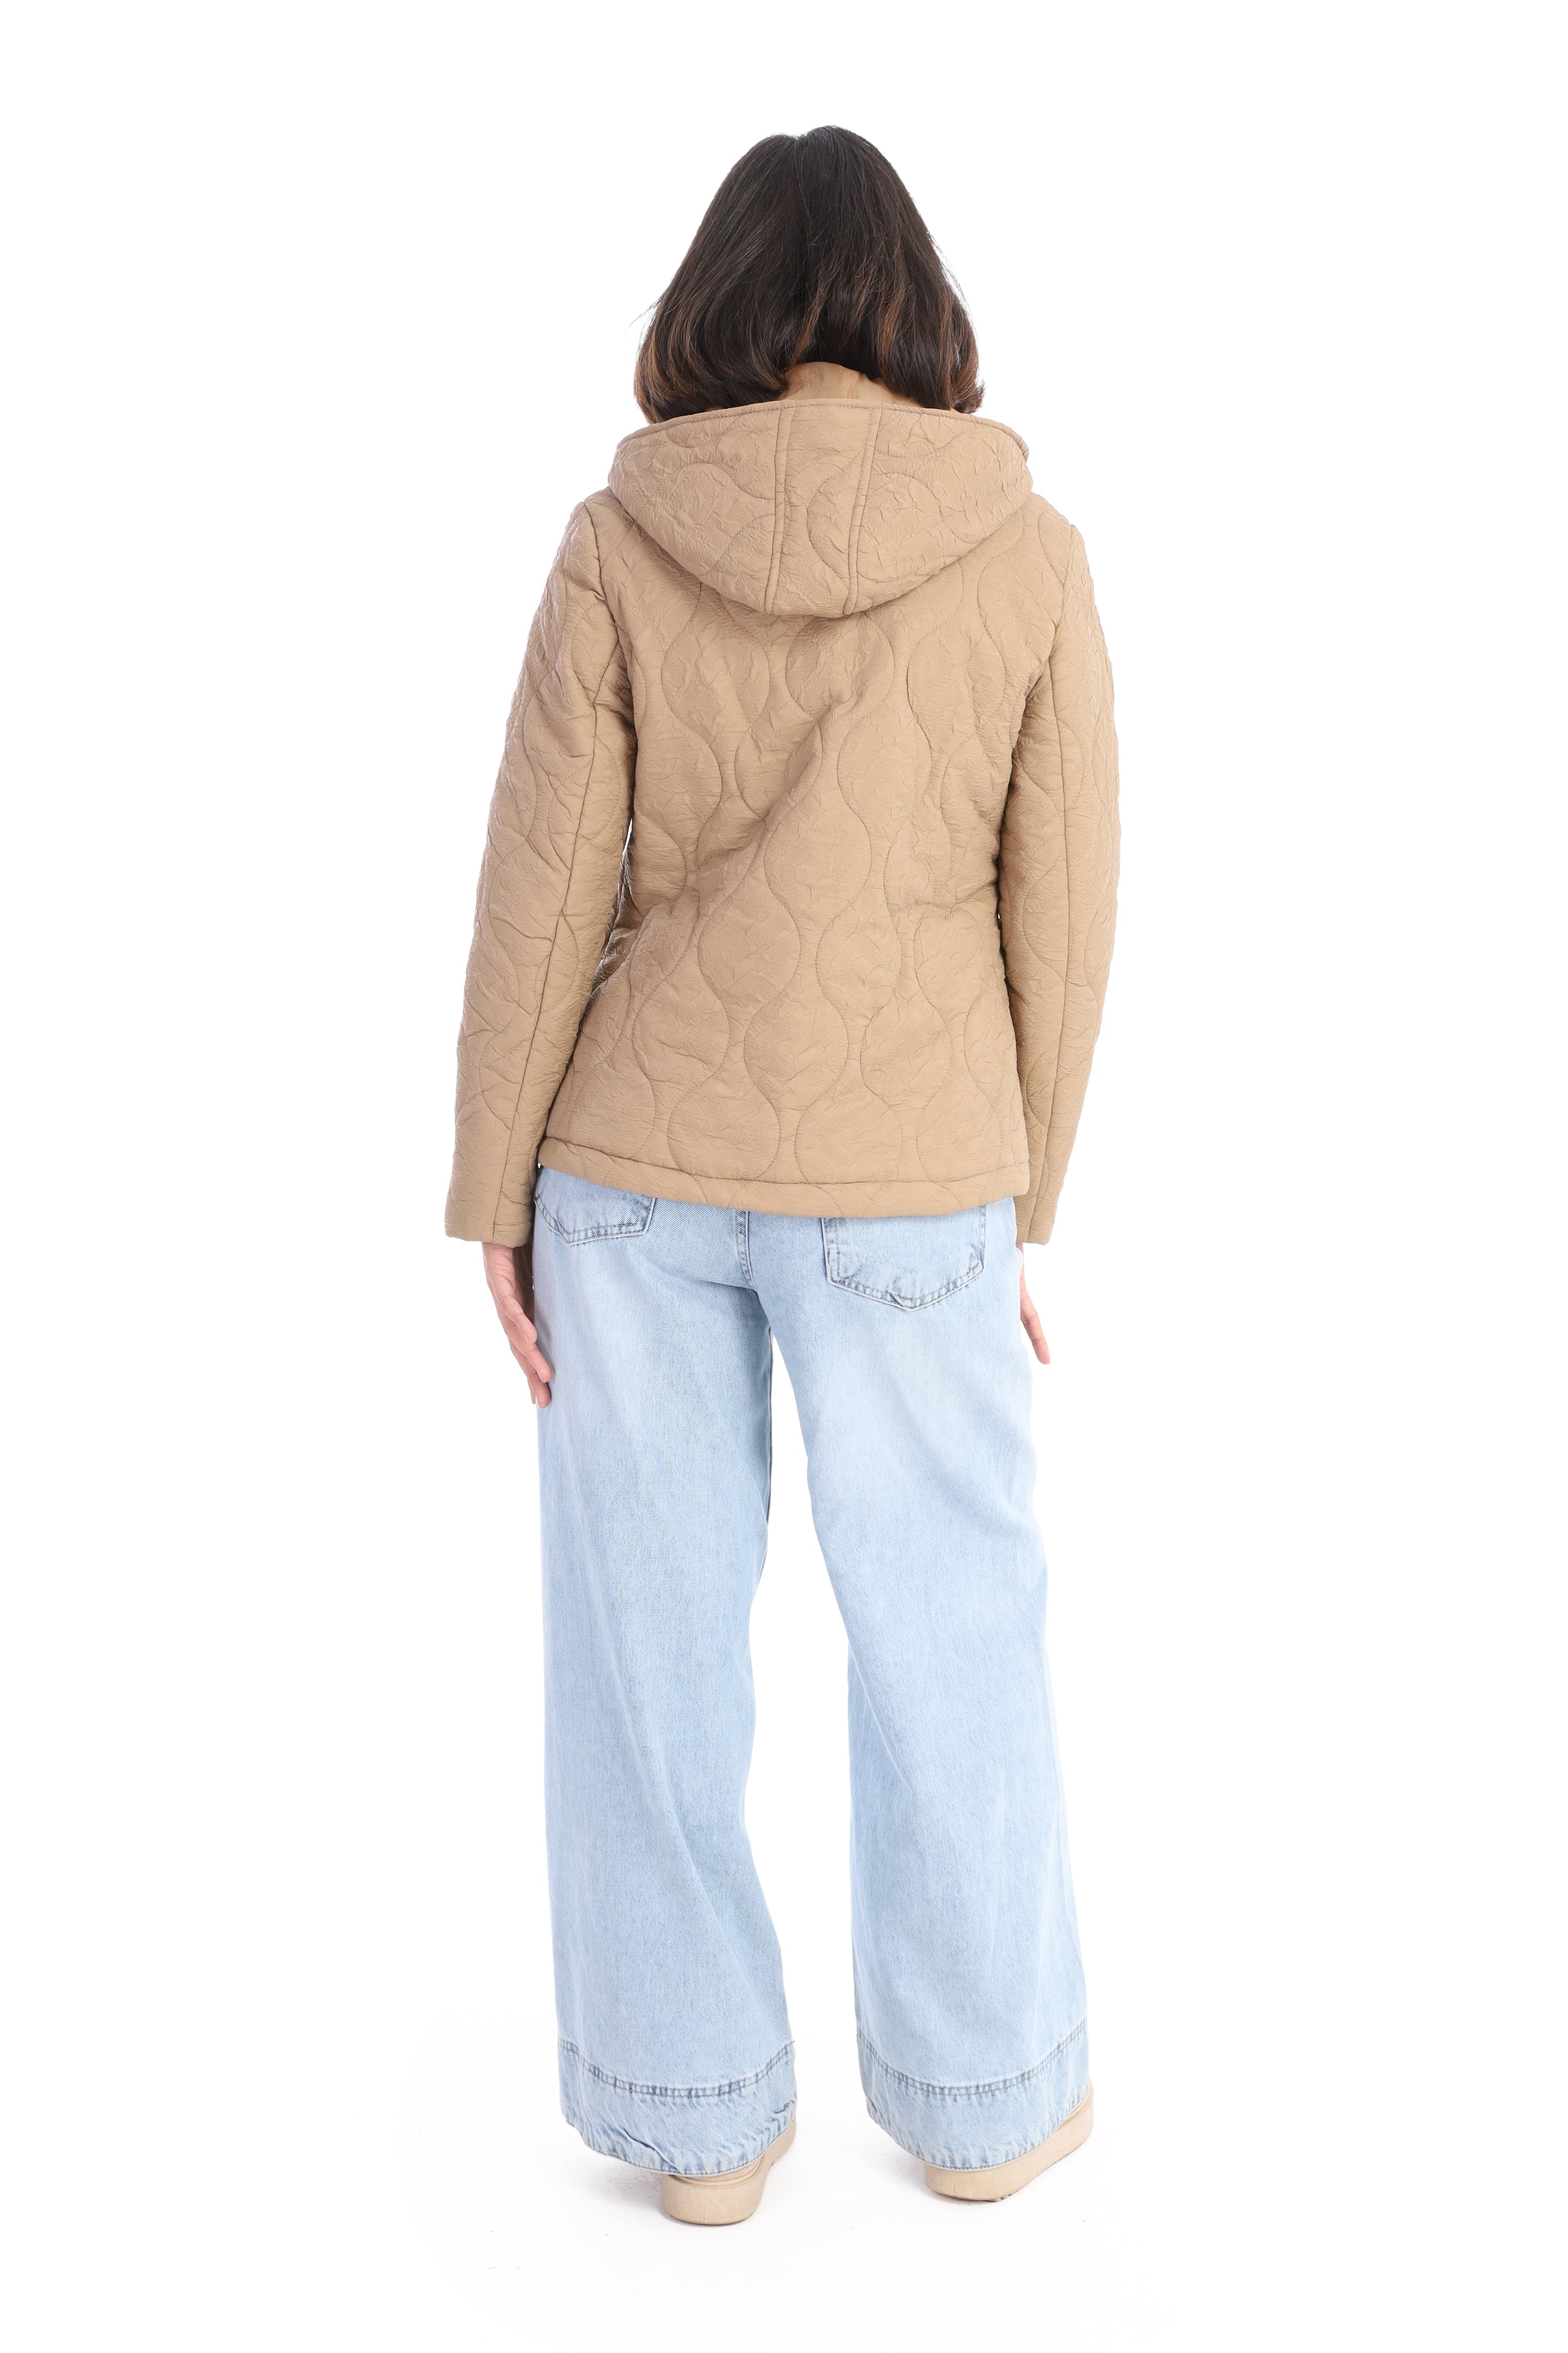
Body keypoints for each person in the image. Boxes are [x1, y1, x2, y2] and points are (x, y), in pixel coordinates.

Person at [445, 126, 1119, 2225]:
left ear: (715, 304)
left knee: (643, 1655)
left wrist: (491, 1199)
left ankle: (697, 2132)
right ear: (911, 307)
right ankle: (987, 2107)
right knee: (954, 1626)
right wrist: (1016, 1201)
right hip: (914, 1173)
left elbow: (539, 892)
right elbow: (1063, 913)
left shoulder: (618, 534)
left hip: (630, 1175)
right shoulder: (1023, 551)